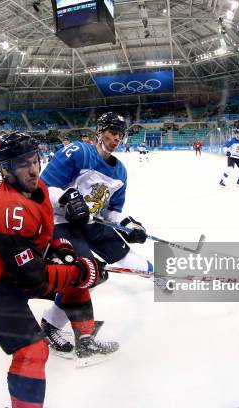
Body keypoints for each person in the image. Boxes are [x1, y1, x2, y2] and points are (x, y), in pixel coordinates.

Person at [0, 133, 109, 408]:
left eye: (34, 160)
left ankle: (84, 342)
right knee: (32, 351)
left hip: (13, 265)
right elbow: (33, 279)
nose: (32, 169)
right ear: (5, 169)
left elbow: (43, 232)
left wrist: (64, 249)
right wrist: (79, 270)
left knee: (77, 282)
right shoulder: (7, 207)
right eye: (21, 163)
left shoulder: (34, 188)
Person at [39, 112, 152, 358]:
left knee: (125, 255)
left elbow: (111, 212)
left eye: (120, 135)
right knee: (85, 272)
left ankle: (159, 275)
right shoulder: (79, 152)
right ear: (99, 132)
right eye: (111, 133)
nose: (115, 139)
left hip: (91, 222)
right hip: (61, 221)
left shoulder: (120, 172)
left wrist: (128, 224)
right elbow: (43, 188)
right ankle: (51, 325)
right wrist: (66, 198)